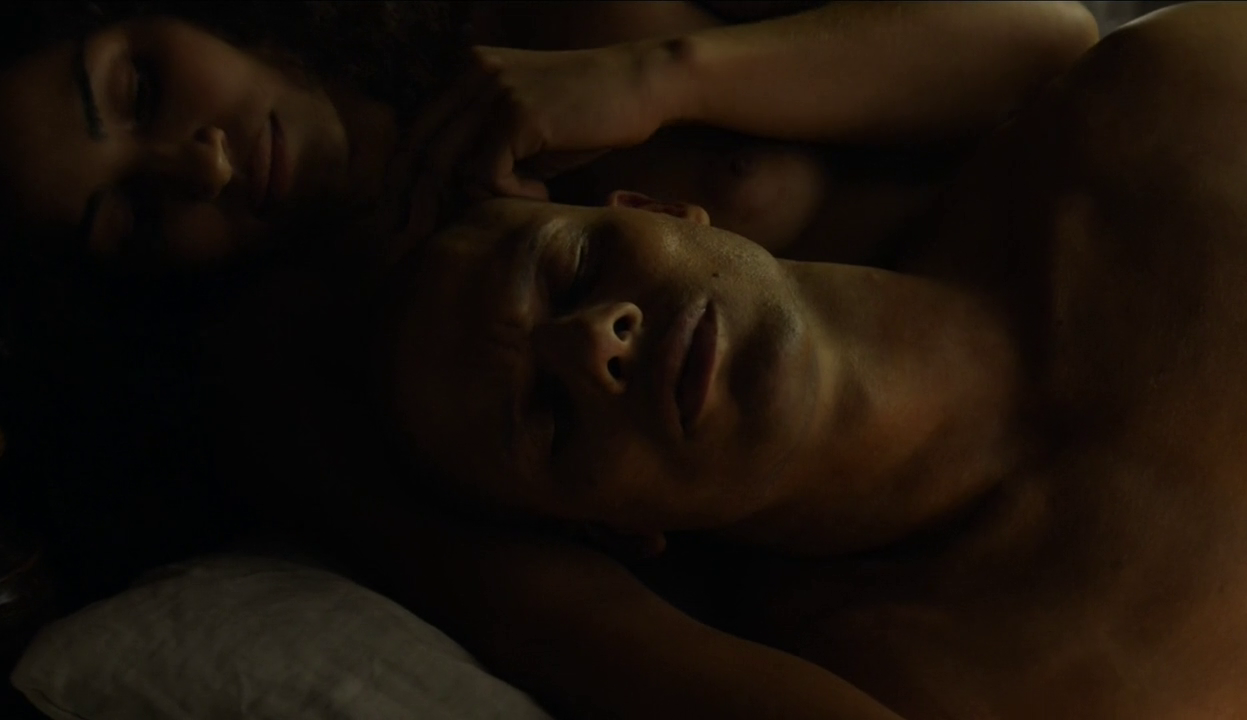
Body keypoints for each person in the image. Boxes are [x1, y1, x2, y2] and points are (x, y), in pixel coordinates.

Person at [325, 2, 1247, 718]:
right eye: (546, 413)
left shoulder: (1175, 113)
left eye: (573, 274)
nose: (591, 346)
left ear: (660, 211)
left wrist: (658, 74)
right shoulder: (909, 676)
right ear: (614, 529)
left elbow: (1047, 31)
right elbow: (537, 613)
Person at [0, 0, 1097, 605]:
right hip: (1036, 548)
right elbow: (592, 643)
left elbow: (1053, 46)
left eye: (138, 88)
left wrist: (665, 74)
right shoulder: (326, 389)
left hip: (1115, 267)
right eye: (132, 214)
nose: (200, 165)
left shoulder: (531, 16)